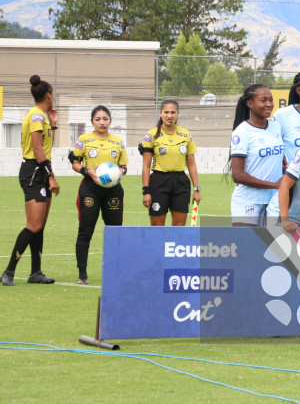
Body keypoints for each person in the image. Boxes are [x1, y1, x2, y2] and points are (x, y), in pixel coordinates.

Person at [2, 75, 59, 286]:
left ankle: (36, 272)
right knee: (34, 225)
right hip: (34, 171)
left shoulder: (42, 116)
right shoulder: (36, 115)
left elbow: (45, 146)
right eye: (52, 94)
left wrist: (53, 126)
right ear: (48, 95)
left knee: (40, 225)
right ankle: (8, 272)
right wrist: (51, 176)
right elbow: (37, 149)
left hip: (41, 169)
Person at [70, 105, 128, 284]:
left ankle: (114, 273)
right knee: (85, 231)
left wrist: (121, 172)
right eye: (98, 119)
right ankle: (82, 274)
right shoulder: (83, 140)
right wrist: (87, 171)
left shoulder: (118, 142)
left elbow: (124, 166)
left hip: (113, 190)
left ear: (110, 120)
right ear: (92, 122)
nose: (102, 122)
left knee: (115, 232)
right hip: (90, 189)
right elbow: (75, 163)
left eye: (105, 119)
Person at [229, 84, 284, 227]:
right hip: (248, 201)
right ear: (250, 104)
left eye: (271, 100)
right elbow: (237, 175)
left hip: (274, 201)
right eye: (263, 100)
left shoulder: (276, 126)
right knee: (247, 242)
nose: (269, 104)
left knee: (273, 242)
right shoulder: (242, 132)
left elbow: (280, 160)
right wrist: (274, 185)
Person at [140, 99, 200, 226]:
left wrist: (196, 189)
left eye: (173, 112)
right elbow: (146, 166)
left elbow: (192, 164)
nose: (169, 115)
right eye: (166, 112)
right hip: (159, 182)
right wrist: (146, 191)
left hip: (181, 183)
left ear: (177, 114)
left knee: (179, 228)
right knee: (157, 227)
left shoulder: (186, 135)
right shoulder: (151, 135)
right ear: (160, 113)